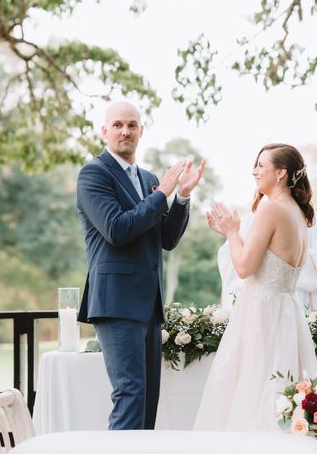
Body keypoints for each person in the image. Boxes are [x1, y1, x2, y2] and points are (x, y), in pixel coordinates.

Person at [76, 101, 205, 430]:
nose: (125, 131)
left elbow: (166, 239)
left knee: (148, 399)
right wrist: (162, 194)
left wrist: (181, 198)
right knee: (130, 394)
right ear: (105, 131)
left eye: (132, 125)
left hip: (149, 305)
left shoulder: (149, 178)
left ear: (141, 131)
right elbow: (117, 230)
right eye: (117, 125)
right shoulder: (94, 173)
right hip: (116, 303)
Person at [193, 143, 317, 431]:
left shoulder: (271, 209)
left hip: (262, 315)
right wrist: (232, 234)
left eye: (262, 165)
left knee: (254, 391)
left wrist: (233, 232)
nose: (255, 171)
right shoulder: (297, 212)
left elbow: (244, 268)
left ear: (281, 173)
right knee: (278, 395)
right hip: (286, 312)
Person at [218, 211, 317, 310]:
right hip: (257, 302)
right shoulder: (249, 220)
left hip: (300, 301)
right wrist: (232, 235)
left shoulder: (316, 221)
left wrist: (283, 259)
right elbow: (237, 265)